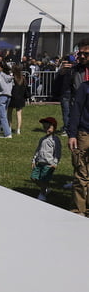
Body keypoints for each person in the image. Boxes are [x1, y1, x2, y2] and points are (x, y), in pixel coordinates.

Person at [67, 39, 89, 217]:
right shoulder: (84, 86)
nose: (81, 56)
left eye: (85, 54)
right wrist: (72, 134)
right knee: (82, 173)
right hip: (84, 133)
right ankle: (78, 210)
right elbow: (75, 111)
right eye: (80, 53)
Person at [31, 117, 61, 201]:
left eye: (49, 127)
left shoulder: (55, 140)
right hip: (39, 163)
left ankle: (42, 194)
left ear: (54, 128)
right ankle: (45, 189)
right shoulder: (42, 139)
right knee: (33, 177)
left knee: (44, 180)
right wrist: (34, 160)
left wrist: (55, 163)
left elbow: (57, 152)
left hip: (48, 164)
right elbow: (38, 150)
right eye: (44, 127)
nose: (46, 129)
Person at [8, 64, 29, 135]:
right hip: (21, 98)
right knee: (19, 113)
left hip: (12, 97)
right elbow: (26, 88)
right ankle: (18, 129)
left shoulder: (12, 78)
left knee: (9, 113)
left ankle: (9, 127)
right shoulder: (23, 78)